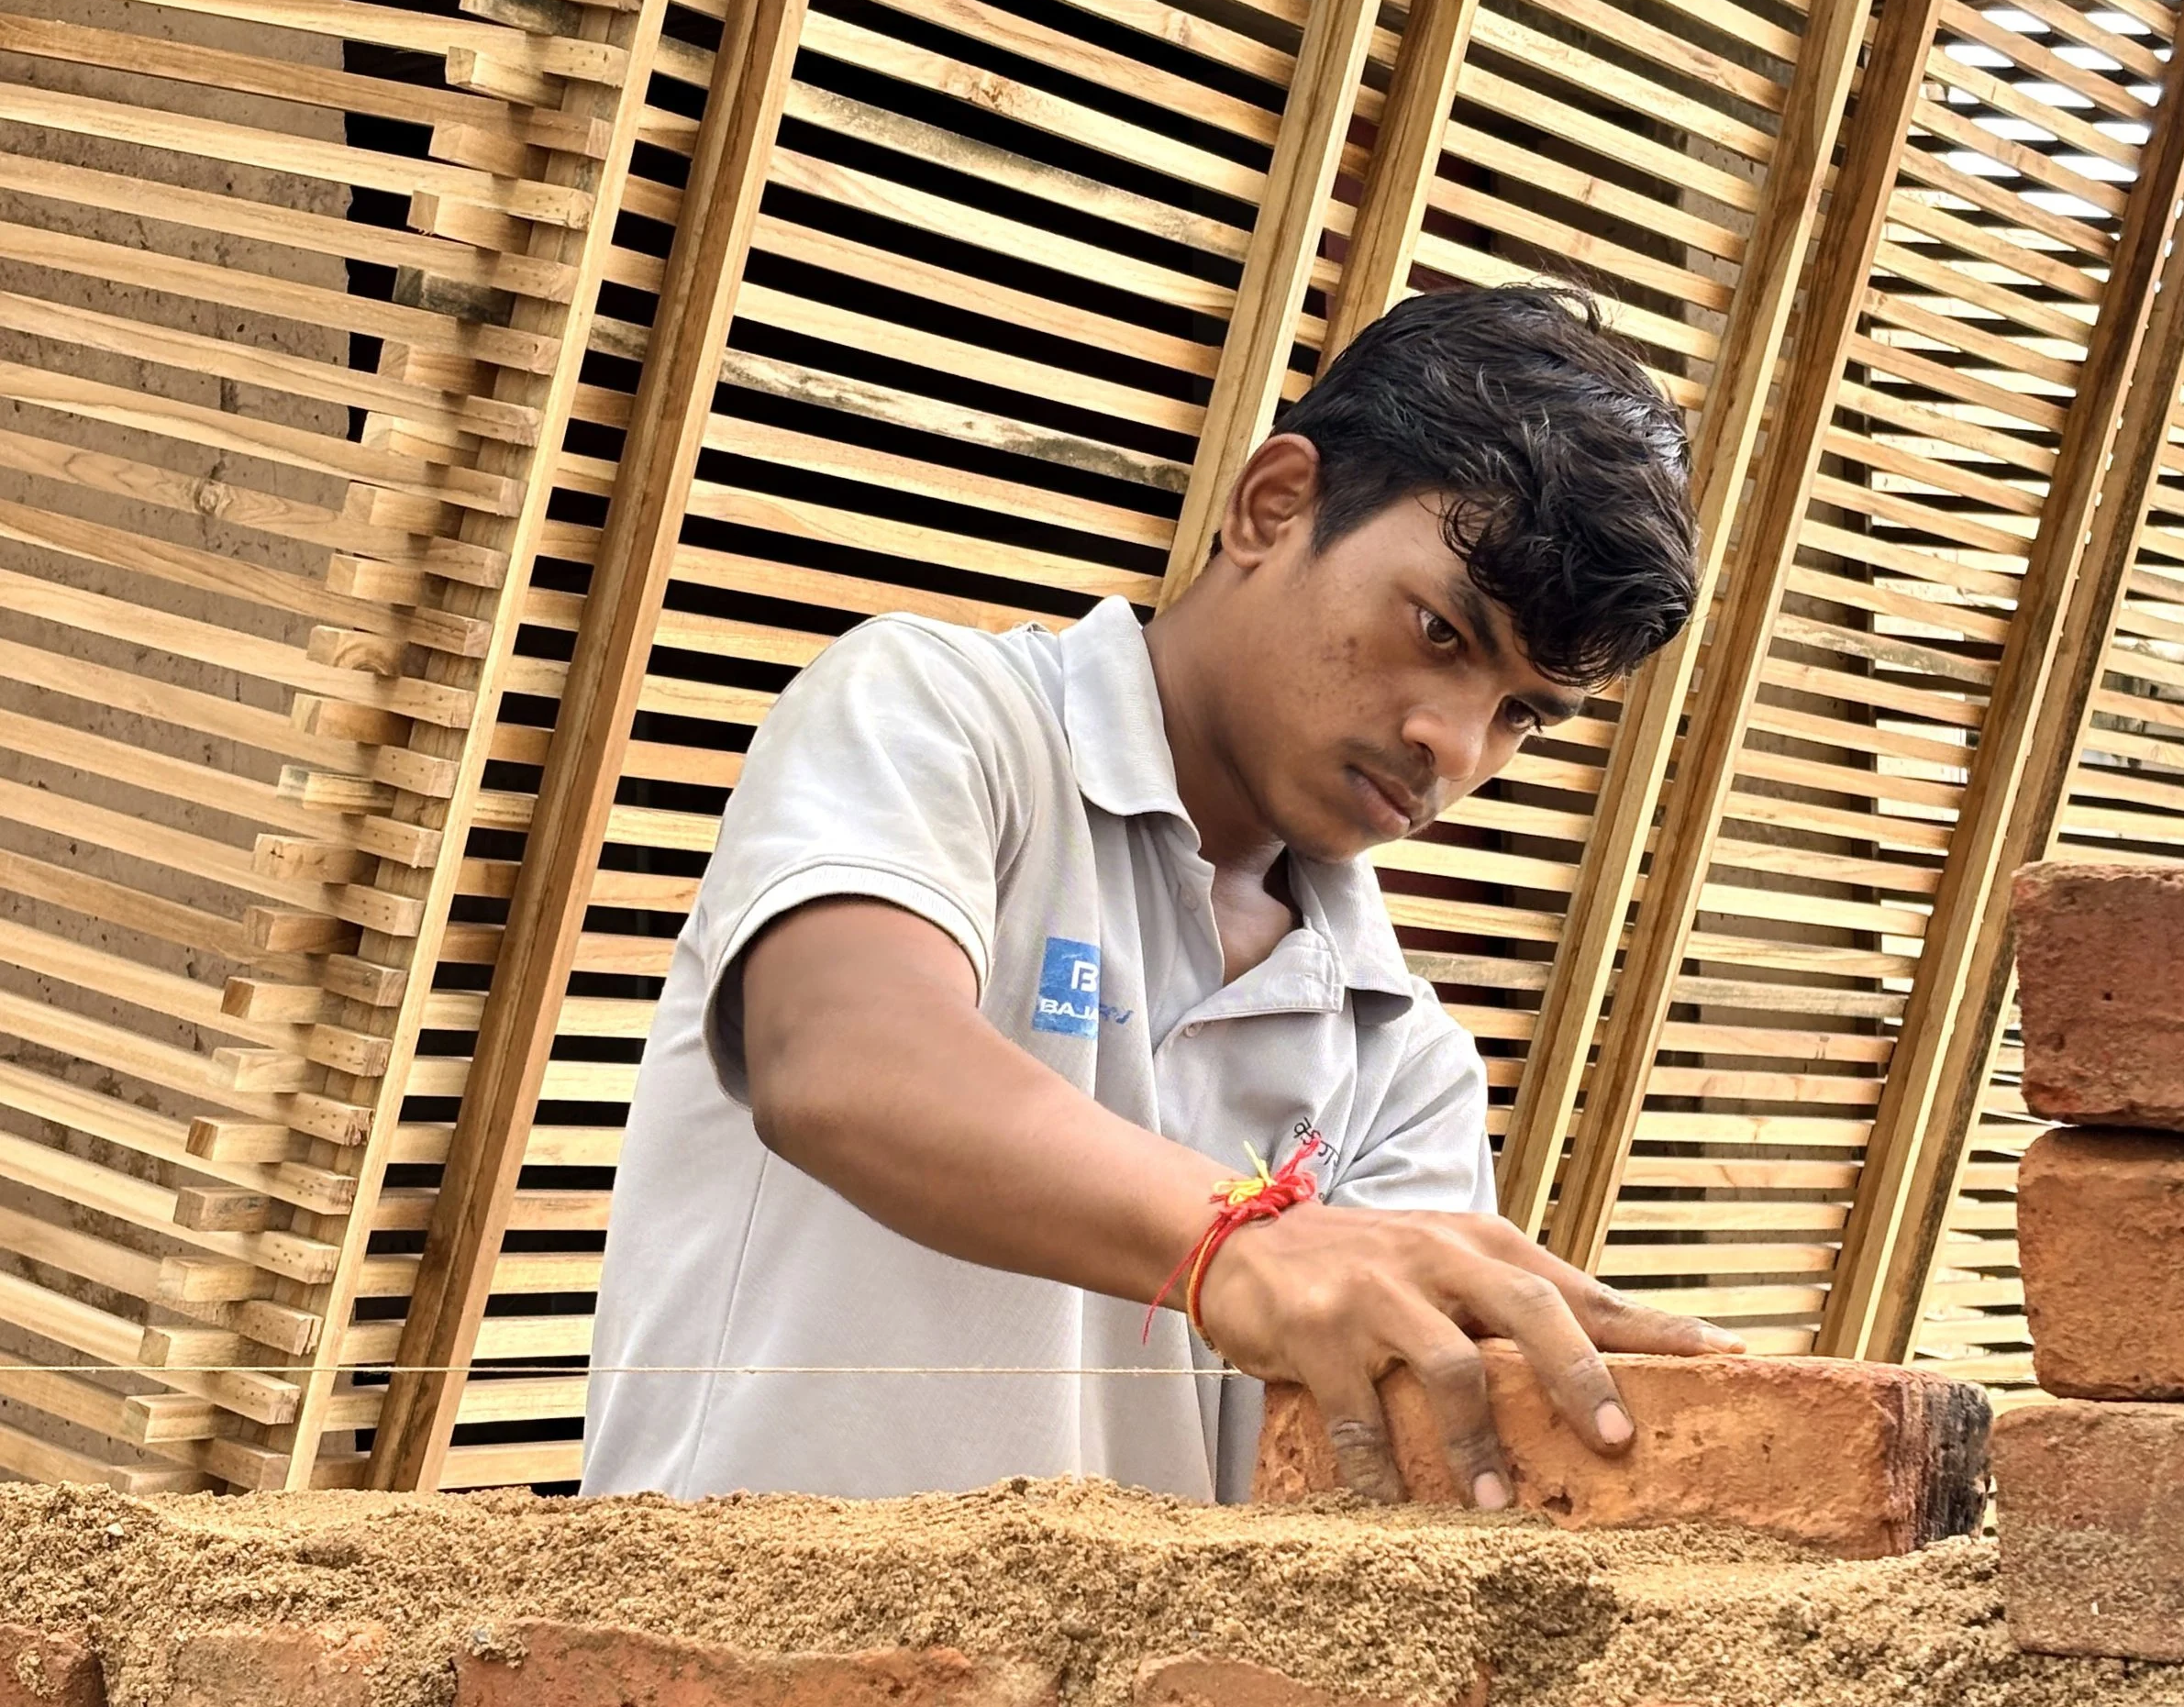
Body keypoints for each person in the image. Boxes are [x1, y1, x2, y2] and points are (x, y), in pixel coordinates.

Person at [582, 283, 1736, 1507]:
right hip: (710, 1679)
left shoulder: (1401, 1064)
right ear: (1273, 505)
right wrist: (1239, 1241)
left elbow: (1380, 1492)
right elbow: (843, 1060)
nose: (1452, 744)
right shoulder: (944, 721)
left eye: (1520, 716)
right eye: (1441, 634)